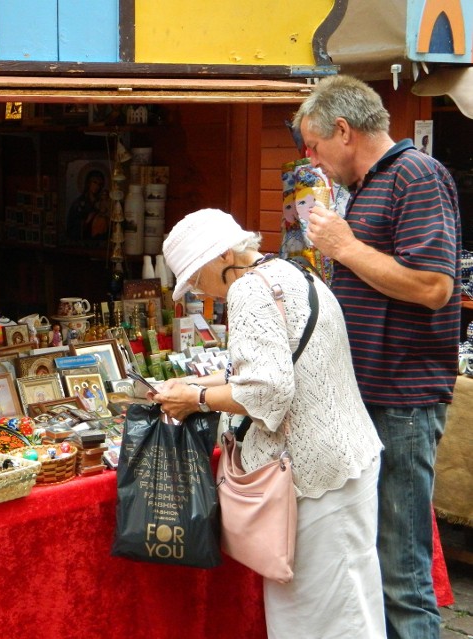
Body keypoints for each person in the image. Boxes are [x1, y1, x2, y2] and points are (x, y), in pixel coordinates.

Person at [153, 208, 385, 638]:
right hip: (344, 459)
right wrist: (199, 381)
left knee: (322, 618)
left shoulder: (248, 292)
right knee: (352, 602)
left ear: (222, 256)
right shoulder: (295, 272)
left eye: (195, 277)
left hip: (312, 473)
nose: (199, 291)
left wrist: (197, 398)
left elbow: (267, 392)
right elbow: (285, 368)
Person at [293, 75, 461, 639]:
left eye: (313, 145)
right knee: (376, 563)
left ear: (344, 130)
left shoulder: (417, 174)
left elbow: (435, 287)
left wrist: (345, 247)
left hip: (402, 400)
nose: (310, 158)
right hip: (372, 399)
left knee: (401, 572)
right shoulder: (370, 184)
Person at [66, 169, 105, 240]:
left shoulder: (102, 202)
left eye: (99, 184)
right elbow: (71, 225)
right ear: (88, 183)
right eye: (94, 182)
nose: (97, 186)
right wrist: (86, 221)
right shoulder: (78, 203)